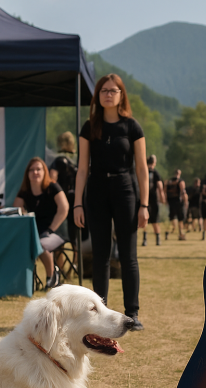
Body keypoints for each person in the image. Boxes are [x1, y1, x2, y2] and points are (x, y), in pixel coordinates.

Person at [73, 73, 148, 331]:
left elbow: (142, 169)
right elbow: (82, 169)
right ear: (98, 96)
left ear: (121, 95)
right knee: (100, 255)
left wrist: (145, 205)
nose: (108, 93)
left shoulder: (132, 127)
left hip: (125, 190)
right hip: (96, 191)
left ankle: (133, 313)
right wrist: (77, 204)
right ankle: (98, 314)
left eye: (113, 90)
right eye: (104, 90)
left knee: (128, 256)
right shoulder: (89, 126)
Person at [13, 157, 68, 288]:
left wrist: (50, 229)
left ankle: (52, 277)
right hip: (36, 232)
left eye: (38, 169)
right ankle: (24, 282)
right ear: (27, 174)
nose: (35, 172)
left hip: (56, 231)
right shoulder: (25, 191)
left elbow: (64, 208)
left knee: (41, 244)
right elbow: (15, 211)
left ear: (45, 172)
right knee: (20, 244)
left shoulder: (52, 187)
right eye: (31, 170)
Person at [49, 131, 79, 246]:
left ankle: (72, 261)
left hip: (62, 200)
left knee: (60, 237)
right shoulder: (74, 159)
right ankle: (76, 260)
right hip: (74, 199)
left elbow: (52, 178)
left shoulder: (59, 160)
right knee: (73, 233)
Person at [142, 155, 165, 246]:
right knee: (155, 220)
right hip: (153, 199)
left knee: (145, 219)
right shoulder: (155, 172)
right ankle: (158, 239)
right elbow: (159, 186)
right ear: (154, 162)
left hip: (144, 198)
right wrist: (162, 197)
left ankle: (145, 239)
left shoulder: (144, 171)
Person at [165, 170, 187, 241]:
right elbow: (183, 191)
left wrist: (166, 201)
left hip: (171, 202)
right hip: (179, 202)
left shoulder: (169, 181)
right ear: (179, 173)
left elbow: (165, 191)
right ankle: (181, 233)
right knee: (180, 219)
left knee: (172, 217)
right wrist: (186, 201)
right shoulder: (180, 181)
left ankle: (169, 232)